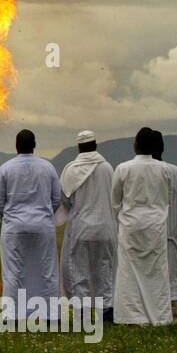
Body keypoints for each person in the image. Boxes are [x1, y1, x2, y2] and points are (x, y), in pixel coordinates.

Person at [0, 129, 63, 319]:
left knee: (13, 271)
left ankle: (12, 316)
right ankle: (50, 316)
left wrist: (10, 218)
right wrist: (45, 216)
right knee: (47, 271)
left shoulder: (6, 168)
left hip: (14, 227)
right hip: (42, 226)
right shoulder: (47, 167)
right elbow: (56, 199)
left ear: (16, 146)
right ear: (34, 145)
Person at [110, 127, 173, 326]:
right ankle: (159, 316)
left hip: (131, 225)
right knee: (156, 271)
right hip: (156, 225)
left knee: (128, 271)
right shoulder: (165, 169)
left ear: (136, 144)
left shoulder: (123, 168)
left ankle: (130, 315)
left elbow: (115, 201)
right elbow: (167, 196)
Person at [58, 130, 117, 322]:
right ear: (95, 145)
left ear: (79, 147)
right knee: (104, 270)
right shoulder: (108, 168)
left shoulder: (71, 169)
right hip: (106, 228)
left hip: (81, 228)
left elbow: (64, 200)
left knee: (78, 271)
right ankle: (106, 312)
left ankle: (81, 315)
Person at [151, 130, 177, 323]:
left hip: (154, 229)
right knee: (172, 269)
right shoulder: (175, 171)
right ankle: (175, 311)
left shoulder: (149, 170)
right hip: (173, 228)